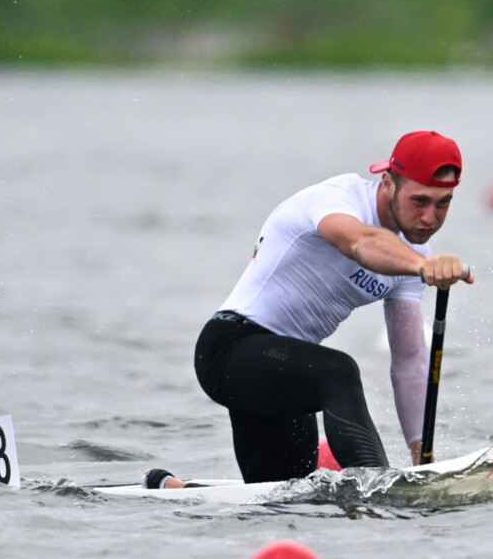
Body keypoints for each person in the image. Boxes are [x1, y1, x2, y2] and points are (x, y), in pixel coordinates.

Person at [144, 131, 473, 489]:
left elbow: (410, 363)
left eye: (443, 204)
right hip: (230, 350)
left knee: (289, 496)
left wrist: (421, 456)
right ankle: (379, 486)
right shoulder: (337, 199)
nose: (429, 216)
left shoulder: (412, 263)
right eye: (420, 200)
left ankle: (168, 486)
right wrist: (421, 266)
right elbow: (359, 242)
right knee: (339, 371)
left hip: (285, 374)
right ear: (388, 182)